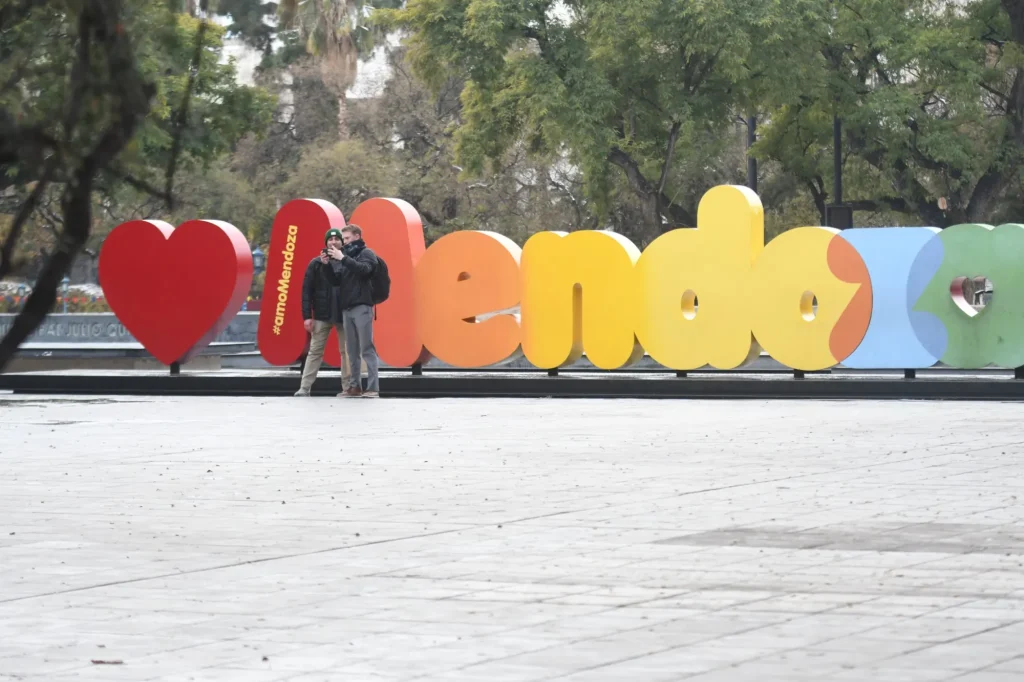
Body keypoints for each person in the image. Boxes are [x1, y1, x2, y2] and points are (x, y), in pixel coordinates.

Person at [294, 228, 350, 397]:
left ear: (342, 242)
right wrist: (306, 316)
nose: (333, 242)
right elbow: (306, 291)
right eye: (330, 239)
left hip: (343, 314)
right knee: (315, 351)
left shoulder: (348, 261)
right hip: (321, 314)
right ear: (325, 243)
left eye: (337, 239)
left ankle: (347, 388)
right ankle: (304, 388)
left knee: (346, 352)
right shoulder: (316, 263)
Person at [334, 224, 380, 398]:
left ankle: (373, 388)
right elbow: (336, 281)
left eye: (347, 238)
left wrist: (343, 259)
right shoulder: (344, 256)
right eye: (343, 239)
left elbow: (365, 270)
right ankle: (355, 386)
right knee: (351, 350)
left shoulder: (367, 253)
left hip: (362, 306)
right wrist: (327, 265)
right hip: (347, 307)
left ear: (357, 236)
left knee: (366, 347)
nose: (344, 242)